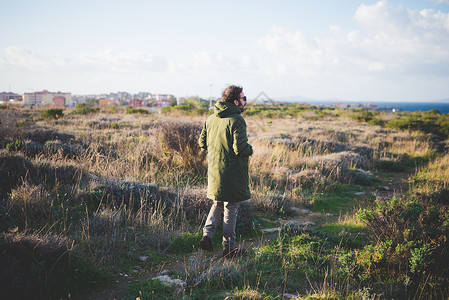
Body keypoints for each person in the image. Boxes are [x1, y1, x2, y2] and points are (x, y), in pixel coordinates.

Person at [198, 84, 253, 258]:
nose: (245, 101)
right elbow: (240, 149)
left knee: (217, 203)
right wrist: (250, 149)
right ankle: (229, 248)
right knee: (231, 208)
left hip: (214, 172)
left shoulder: (211, 119)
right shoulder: (237, 120)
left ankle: (207, 235)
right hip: (232, 174)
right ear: (236, 101)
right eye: (244, 98)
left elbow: (202, 143)